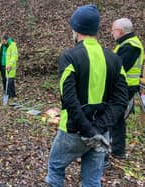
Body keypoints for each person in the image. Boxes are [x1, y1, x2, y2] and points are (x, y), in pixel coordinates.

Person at [45, 5, 128, 187]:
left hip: (73, 130)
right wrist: (99, 129)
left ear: (76, 29)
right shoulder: (114, 59)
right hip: (101, 132)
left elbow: (69, 99)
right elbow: (121, 100)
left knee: (56, 168)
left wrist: (88, 130)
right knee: (92, 179)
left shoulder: (69, 57)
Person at [110, 18, 144, 159]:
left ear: (120, 31)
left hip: (125, 87)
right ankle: (117, 151)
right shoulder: (126, 43)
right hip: (124, 86)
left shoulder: (130, 46)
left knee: (113, 117)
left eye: (113, 30)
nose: (111, 33)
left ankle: (114, 151)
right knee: (117, 118)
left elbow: (119, 67)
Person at [0, 34, 18, 101]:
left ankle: (13, 95)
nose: (2, 42)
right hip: (2, 66)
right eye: (2, 41)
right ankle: (6, 93)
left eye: (4, 41)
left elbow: (14, 57)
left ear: (7, 40)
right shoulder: (1, 45)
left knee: (10, 81)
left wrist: (10, 64)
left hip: (10, 67)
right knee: (4, 80)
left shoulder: (13, 46)